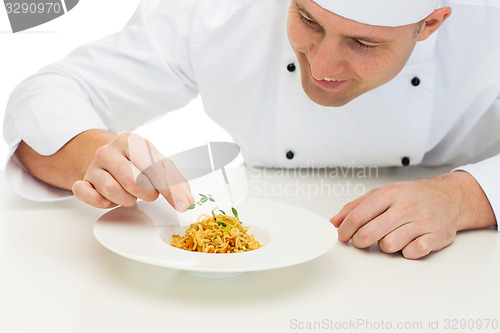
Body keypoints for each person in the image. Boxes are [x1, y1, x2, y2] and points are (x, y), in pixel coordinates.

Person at [3, 0, 500, 259]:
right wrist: (95, 152)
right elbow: (48, 93)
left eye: (364, 44)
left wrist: (466, 196)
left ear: (431, 24)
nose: (324, 64)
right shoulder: (215, 11)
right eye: (308, 19)